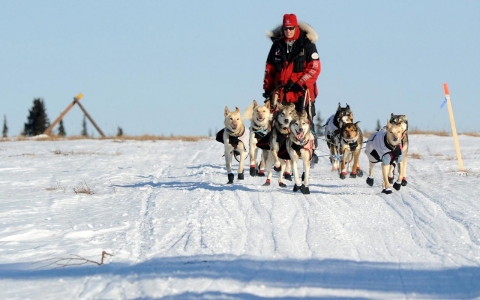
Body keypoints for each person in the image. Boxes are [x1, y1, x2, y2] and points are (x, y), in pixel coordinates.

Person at [262, 13, 321, 162]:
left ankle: (309, 151)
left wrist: (300, 83)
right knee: (280, 124)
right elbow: (269, 69)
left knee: (304, 123)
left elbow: (314, 68)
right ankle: (283, 156)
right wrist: (268, 90)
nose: (288, 31)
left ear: (296, 27)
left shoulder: (307, 44)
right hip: (281, 93)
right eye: (286, 28)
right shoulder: (277, 46)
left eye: (291, 28)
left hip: (302, 93)